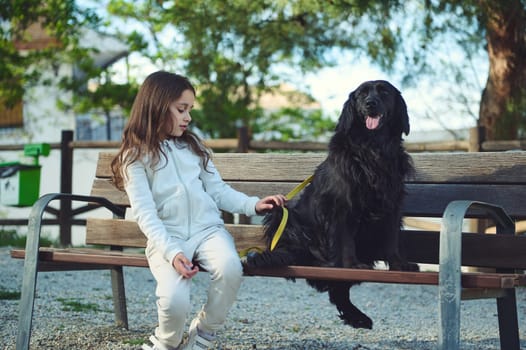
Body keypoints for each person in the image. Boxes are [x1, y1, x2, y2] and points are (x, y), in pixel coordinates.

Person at [111, 70, 286, 350]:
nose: (188, 117)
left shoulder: (193, 148)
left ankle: (204, 333)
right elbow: (145, 213)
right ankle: (167, 342)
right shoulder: (134, 157)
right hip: (168, 238)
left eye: (190, 110)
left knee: (230, 268)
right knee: (173, 301)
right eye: (181, 109)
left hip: (208, 231)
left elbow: (218, 191)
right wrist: (172, 252)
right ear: (156, 106)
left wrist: (253, 204)